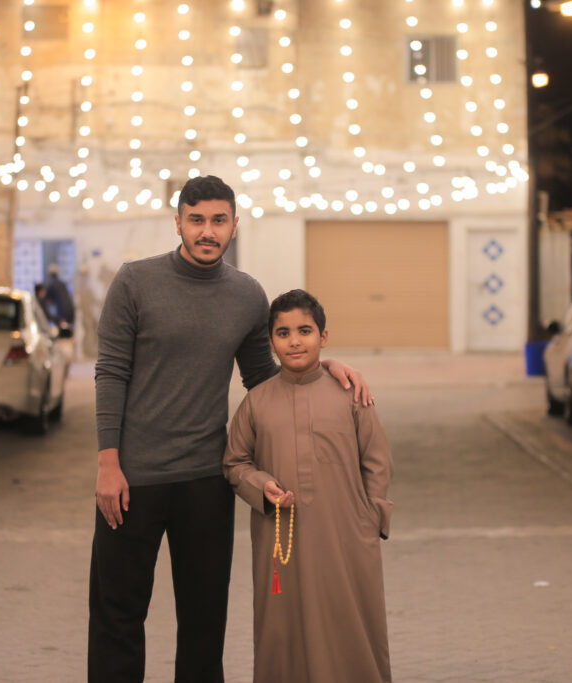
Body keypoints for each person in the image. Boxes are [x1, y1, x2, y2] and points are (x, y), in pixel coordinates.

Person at [89, 175, 372, 683]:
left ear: (234, 226)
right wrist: (108, 463)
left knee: (204, 624)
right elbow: (111, 372)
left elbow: (265, 378)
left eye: (218, 220)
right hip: (132, 480)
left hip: (206, 480)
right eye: (196, 220)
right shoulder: (135, 281)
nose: (207, 231)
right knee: (117, 617)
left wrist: (321, 367)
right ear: (178, 223)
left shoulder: (246, 295)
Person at [223, 289, 393, 683]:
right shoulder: (256, 402)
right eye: (283, 333)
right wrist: (262, 486)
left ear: (323, 337)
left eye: (305, 330)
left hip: (347, 536)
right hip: (281, 537)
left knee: (351, 622)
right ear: (271, 343)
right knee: (284, 629)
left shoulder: (352, 394)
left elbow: (377, 460)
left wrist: (371, 519)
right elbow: (235, 463)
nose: (295, 341)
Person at [46, 263, 75, 328]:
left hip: (62, 315)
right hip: (70, 313)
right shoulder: (62, 284)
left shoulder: (52, 285)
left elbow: (49, 301)